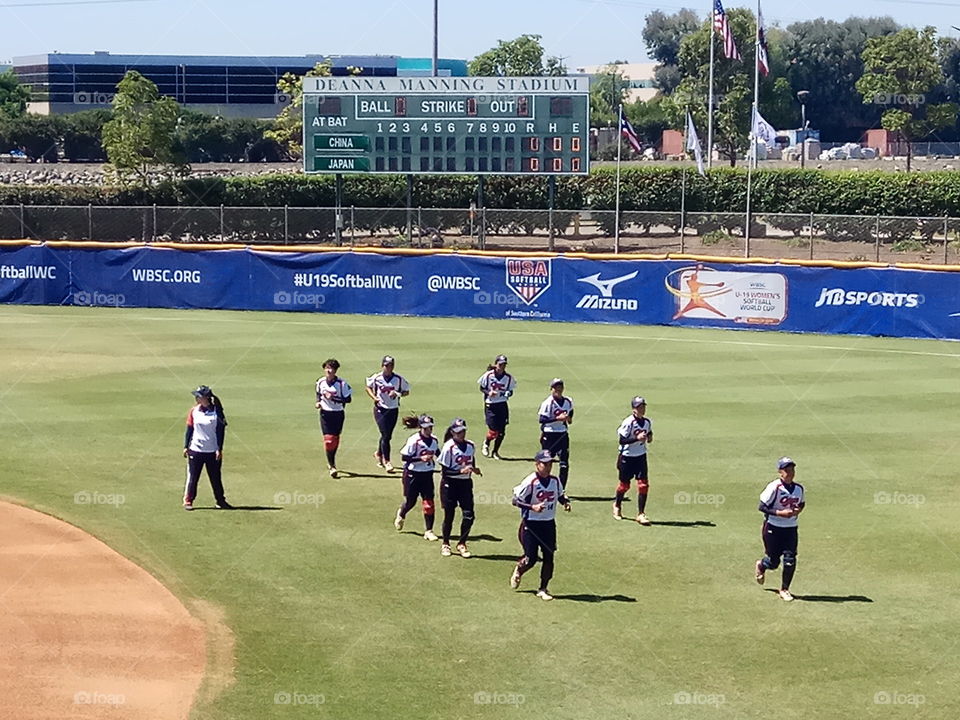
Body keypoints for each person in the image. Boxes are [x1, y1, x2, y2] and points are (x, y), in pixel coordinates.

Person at [510, 450, 571, 601]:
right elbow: (515, 500)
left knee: (549, 557)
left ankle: (543, 588)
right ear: (537, 464)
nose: (548, 466)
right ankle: (519, 569)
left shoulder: (555, 481)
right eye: (545, 463)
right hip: (531, 525)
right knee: (531, 559)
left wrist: (565, 503)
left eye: (550, 463)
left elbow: (559, 495)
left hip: (548, 524)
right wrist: (533, 507)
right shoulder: (531, 481)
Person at [755, 457, 805, 602]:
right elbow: (762, 507)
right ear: (780, 472)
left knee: (790, 560)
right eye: (787, 470)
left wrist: (797, 511)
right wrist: (780, 513)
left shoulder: (798, 489)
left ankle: (784, 589)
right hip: (773, 528)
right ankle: (761, 565)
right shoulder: (774, 487)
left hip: (790, 528)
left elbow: (801, 503)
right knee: (773, 562)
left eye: (792, 470)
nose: (790, 473)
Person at [437, 418, 482, 558]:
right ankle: (445, 543)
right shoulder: (448, 447)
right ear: (452, 432)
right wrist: (460, 471)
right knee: (449, 516)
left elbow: (470, 462)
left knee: (469, 515)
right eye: (458, 432)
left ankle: (462, 543)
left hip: (465, 484)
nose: (461, 434)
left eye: (463, 431)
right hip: (450, 485)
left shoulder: (470, 445)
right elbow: (444, 472)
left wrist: (473, 470)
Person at [182, 385, 231, 510]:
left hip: (212, 451)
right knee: (193, 477)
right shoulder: (194, 411)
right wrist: (186, 446)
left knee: (216, 478)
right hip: (196, 449)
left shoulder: (217, 412)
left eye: (199, 396)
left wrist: (219, 449)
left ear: (206, 398)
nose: (196, 399)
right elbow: (189, 429)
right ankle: (188, 501)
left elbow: (221, 431)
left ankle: (220, 501)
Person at [394, 414, 440, 541]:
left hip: (427, 474)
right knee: (410, 501)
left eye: (430, 427)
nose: (428, 430)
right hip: (412, 474)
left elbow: (439, 454)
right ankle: (401, 514)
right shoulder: (414, 440)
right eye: (426, 428)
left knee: (429, 503)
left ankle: (429, 530)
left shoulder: (434, 440)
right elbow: (404, 457)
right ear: (420, 427)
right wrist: (421, 458)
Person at [365, 355, 410, 473]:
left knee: (388, 435)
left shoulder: (398, 379)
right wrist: (374, 398)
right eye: (386, 366)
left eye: (390, 366)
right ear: (382, 366)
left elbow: (406, 391)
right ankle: (387, 461)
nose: (388, 368)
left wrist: (397, 393)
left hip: (393, 409)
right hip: (380, 409)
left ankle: (379, 453)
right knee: (385, 434)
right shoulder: (376, 378)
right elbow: (368, 388)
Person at [613, 396, 654, 525]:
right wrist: (637, 438)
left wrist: (649, 437)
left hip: (641, 456)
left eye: (643, 407)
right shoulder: (628, 422)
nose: (642, 409)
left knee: (643, 485)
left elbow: (648, 433)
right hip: (627, 457)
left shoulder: (647, 422)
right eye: (639, 407)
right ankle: (617, 505)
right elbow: (622, 440)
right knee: (624, 485)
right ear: (633, 409)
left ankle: (641, 513)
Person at [315, 358, 352, 478]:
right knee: (329, 440)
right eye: (327, 368)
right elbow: (318, 393)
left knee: (335, 439)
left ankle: (332, 460)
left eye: (331, 368)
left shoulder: (342, 384)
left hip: (338, 413)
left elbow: (348, 399)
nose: (329, 371)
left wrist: (333, 398)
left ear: (335, 370)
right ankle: (332, 465)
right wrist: (318, 402)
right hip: (325, 413)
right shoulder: (320, 382)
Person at [477, 354, 516, 459]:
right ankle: (486, 443)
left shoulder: (508, 378)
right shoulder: (488, 375)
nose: (502, 367)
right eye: (500, 364)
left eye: (504, 365)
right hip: (491, 405)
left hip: (502, 404)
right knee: (493, 430)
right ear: (496, 364)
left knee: (502, 432)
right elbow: (481, 388)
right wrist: (489, 392)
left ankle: (495, 452)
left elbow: (511, 390)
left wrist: (508, 393)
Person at [537, 378, 574, 489]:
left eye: (560, 387)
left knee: (564, 464)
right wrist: (557, 418)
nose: (558, 389)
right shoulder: (548, 403)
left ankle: (561, 490)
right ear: (551, 389)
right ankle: (543, 485)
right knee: (546, 463)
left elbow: (571, 410)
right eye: (556, 387)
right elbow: (542, 419)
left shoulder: (568, 401)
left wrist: (569, 418)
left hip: (562, 434)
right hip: (549, 435)